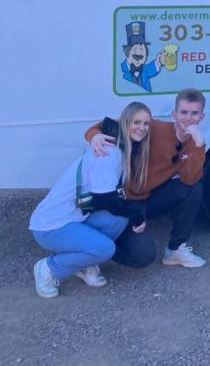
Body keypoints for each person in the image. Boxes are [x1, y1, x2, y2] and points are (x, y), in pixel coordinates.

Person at [30, 102, 152, 298]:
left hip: (75, 216)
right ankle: (49, 268)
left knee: (117, 221)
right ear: (125, 123)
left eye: (146, 124)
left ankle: (85, 264)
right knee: (107, 248)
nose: (142, 128)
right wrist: (137, 215)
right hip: (51, 226)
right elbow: (105, 199)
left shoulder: (120, 146)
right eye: (136, 122)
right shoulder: (109, 151)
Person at [87, 88, 208, 269]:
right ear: (174, 114)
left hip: (148, 198)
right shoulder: (152, 127)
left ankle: (175, 250)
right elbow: (104, 125)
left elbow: (190, 179)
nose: (188, 118)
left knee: (193, 188)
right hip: (124, 200)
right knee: (143, 254)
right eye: (184, 112)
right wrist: (94, 136)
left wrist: (199, 144)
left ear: (201, 117)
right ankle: (92, 255)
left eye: (194, 113)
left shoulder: (194, 142)